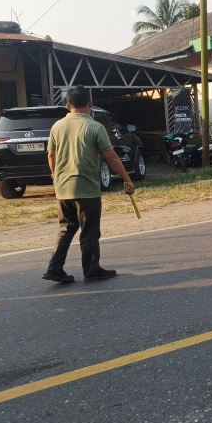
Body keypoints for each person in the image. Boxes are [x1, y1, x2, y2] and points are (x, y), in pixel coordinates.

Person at [43, 86, 136, 283]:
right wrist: (127, 179)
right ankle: (92, 269)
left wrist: (55, 177)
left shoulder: (57, 126)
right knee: (90, 230)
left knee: (66, 227)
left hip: (62, 188)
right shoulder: (95, 127)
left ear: (68, 106)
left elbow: (51, 155)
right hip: (86, 188)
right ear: (90, 104)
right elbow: (110, 156)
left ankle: (54, 268)